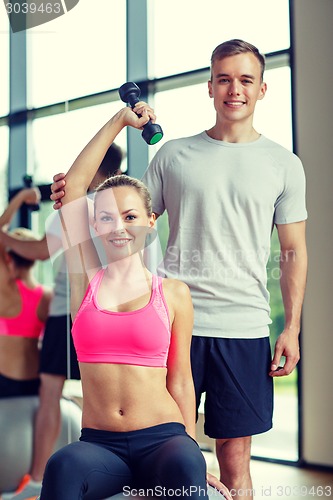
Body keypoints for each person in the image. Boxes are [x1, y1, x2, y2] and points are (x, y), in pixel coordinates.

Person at [50, 39, 308, 499]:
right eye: (224, 79)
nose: (235, 89)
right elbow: (124, 208)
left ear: (263, 89)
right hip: (169, 322)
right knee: (173, 458)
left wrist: (291, 326)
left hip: (241, 325)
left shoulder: (283, 165)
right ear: (209, 87)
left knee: (233, 461)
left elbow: (295, 250)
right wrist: (81, 192)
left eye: (246, 79)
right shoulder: (173, 155)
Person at [39, 107, 231, 500]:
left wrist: (193, 454)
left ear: (149, 221)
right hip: (100, 445)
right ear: (94, 225)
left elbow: (180, 380)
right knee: (61, 466)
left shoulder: (173, 293)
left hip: (163, 440)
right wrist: (120, 121)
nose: (118, 227)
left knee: (184, 465)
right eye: (106, 218)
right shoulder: (85, 280)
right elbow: (75, 189)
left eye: (130, 216)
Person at [0, 145, 124, 500]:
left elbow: (40, 251)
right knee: (102, 394)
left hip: (71, 312)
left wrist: (4, 238)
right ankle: (101, 475)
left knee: (52, 391)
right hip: (104, 310)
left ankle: (38, 480)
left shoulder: (73, 207)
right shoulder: (119, 209)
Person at [0, 188, 52, 400]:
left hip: (4, 379)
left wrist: (20, 198)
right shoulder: (48, 297)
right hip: (35, 380)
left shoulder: (7, 289)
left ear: (9, 257)